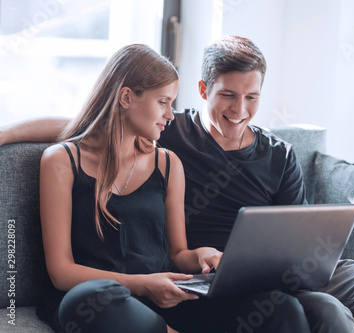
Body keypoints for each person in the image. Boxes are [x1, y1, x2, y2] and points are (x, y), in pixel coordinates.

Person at [0, 36, 354, 333]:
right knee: (89, 298)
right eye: (228, 95)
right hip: (162, 285)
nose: (240, 109)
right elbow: (86, 125)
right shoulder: (165, 132)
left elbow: (298, 245)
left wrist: (203, 258)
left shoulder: (268, 155)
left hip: (282, 272)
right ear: (204, 90)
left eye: (252, 97)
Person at [32, 43, 313, 333]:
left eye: (172, 103)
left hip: (164, 300)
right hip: (105, 299)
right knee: (88, 298)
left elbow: (179, 253)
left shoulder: (168, 164)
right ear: (126, 97)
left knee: (281, 307)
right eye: (163, 102)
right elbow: (61, 272)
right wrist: (143, 284)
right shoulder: (62, 161)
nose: (170, 114)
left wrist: (201, 254)